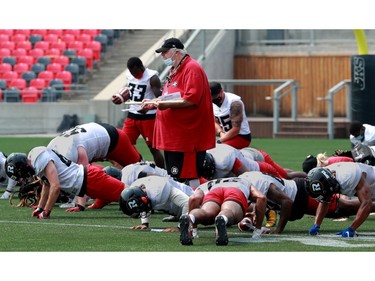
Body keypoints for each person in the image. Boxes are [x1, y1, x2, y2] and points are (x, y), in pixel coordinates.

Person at [143, 37, 216, 188]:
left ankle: (194, 206)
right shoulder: (174, 70)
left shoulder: (192, 68)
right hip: (175, 136)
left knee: (188, 175)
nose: (163, 56)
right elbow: (171, 95)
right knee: (175, 175)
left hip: (187, 137)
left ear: (176, 52)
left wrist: (163, 104)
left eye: (165, 52)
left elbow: (191, 99)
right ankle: (186, 205)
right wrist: (153, 104)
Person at [4, 148, 126, 219]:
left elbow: (55, 187)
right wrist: (40, 207)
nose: (23, 179)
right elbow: (46, 184)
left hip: (90, 179)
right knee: (125, 200)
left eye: (21, 174)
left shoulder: (39, 158)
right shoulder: (36, 158)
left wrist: (46, 211)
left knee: (128, 196)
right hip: (86, 183)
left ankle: (145, 193)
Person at [238, 171, 375, 233]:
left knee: (341, 208)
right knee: (340, 208)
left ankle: (370, 205)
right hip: (298, 195)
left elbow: (287, 202)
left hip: (301, 194)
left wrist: (278, 230)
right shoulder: (246, 181)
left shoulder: (255, 184)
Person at [47, 122, 142, 211]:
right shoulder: (56, 148)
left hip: (116, 140)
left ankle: (152, 194)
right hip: (98, 134)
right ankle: (104, 197)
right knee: (98, 174)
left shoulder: (74, 150)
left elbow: (84, 178)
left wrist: (80, 204)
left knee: (139, 171)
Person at [180, 176, 267, 246]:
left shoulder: (206, 184)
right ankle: (222, 218)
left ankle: (190, 217)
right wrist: (257, 230)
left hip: (214, 191)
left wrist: (194, 229)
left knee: (207, 213)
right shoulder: (245, 181)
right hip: (235, 190)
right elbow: (261, 198)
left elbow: (193, 198)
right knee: (228, 211)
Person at [111, 57, 165, 168]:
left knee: (153, 149)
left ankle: (163, 173)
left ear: (140, 67)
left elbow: (159, 99)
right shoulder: (130, 76)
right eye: (131, 71)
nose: (133, 74)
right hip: (132, 115)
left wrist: (148, 106)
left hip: (148, 117)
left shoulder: (152, 77)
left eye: (135, 71)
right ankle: (140, 162)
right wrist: (121, 97)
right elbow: (132, 93)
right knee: (123, 144)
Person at [306, 162, 375, 237]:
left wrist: (352, 228)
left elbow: (367, 203)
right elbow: (324, 201)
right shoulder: (327, 176)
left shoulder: (348, 175)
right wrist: (316, 225)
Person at [119, 175, 190, 231]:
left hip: (196, 204)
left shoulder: (159, 190)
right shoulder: (137, 189)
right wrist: (144, 223)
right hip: (180, 209)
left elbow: (188, 203)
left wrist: (181, 227)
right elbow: (142, 204)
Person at [209, 81, 251, 149]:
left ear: (221, 91)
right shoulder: (210, 101)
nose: (212, 99)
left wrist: (220, 140)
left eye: (214, 96)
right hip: (225, 136)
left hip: (241, 136)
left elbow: (236, 129)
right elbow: (214, 121)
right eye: (210, 97)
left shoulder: (234, 103)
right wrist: (220, 132)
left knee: (220, 149)